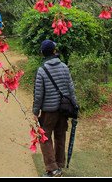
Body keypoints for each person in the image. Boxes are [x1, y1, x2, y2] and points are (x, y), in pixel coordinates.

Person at [32, 40, 77, 177]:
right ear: (54, 51)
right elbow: (71, 89)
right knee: (60, 136)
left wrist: (35, 110)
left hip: (49, 111)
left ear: (42, 53)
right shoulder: (64, 66)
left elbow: (38, 93)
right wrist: (75, 106)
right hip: (63, 110)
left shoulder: (42, 70)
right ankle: (59, 165)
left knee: (44, 137)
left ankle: (52, 168)